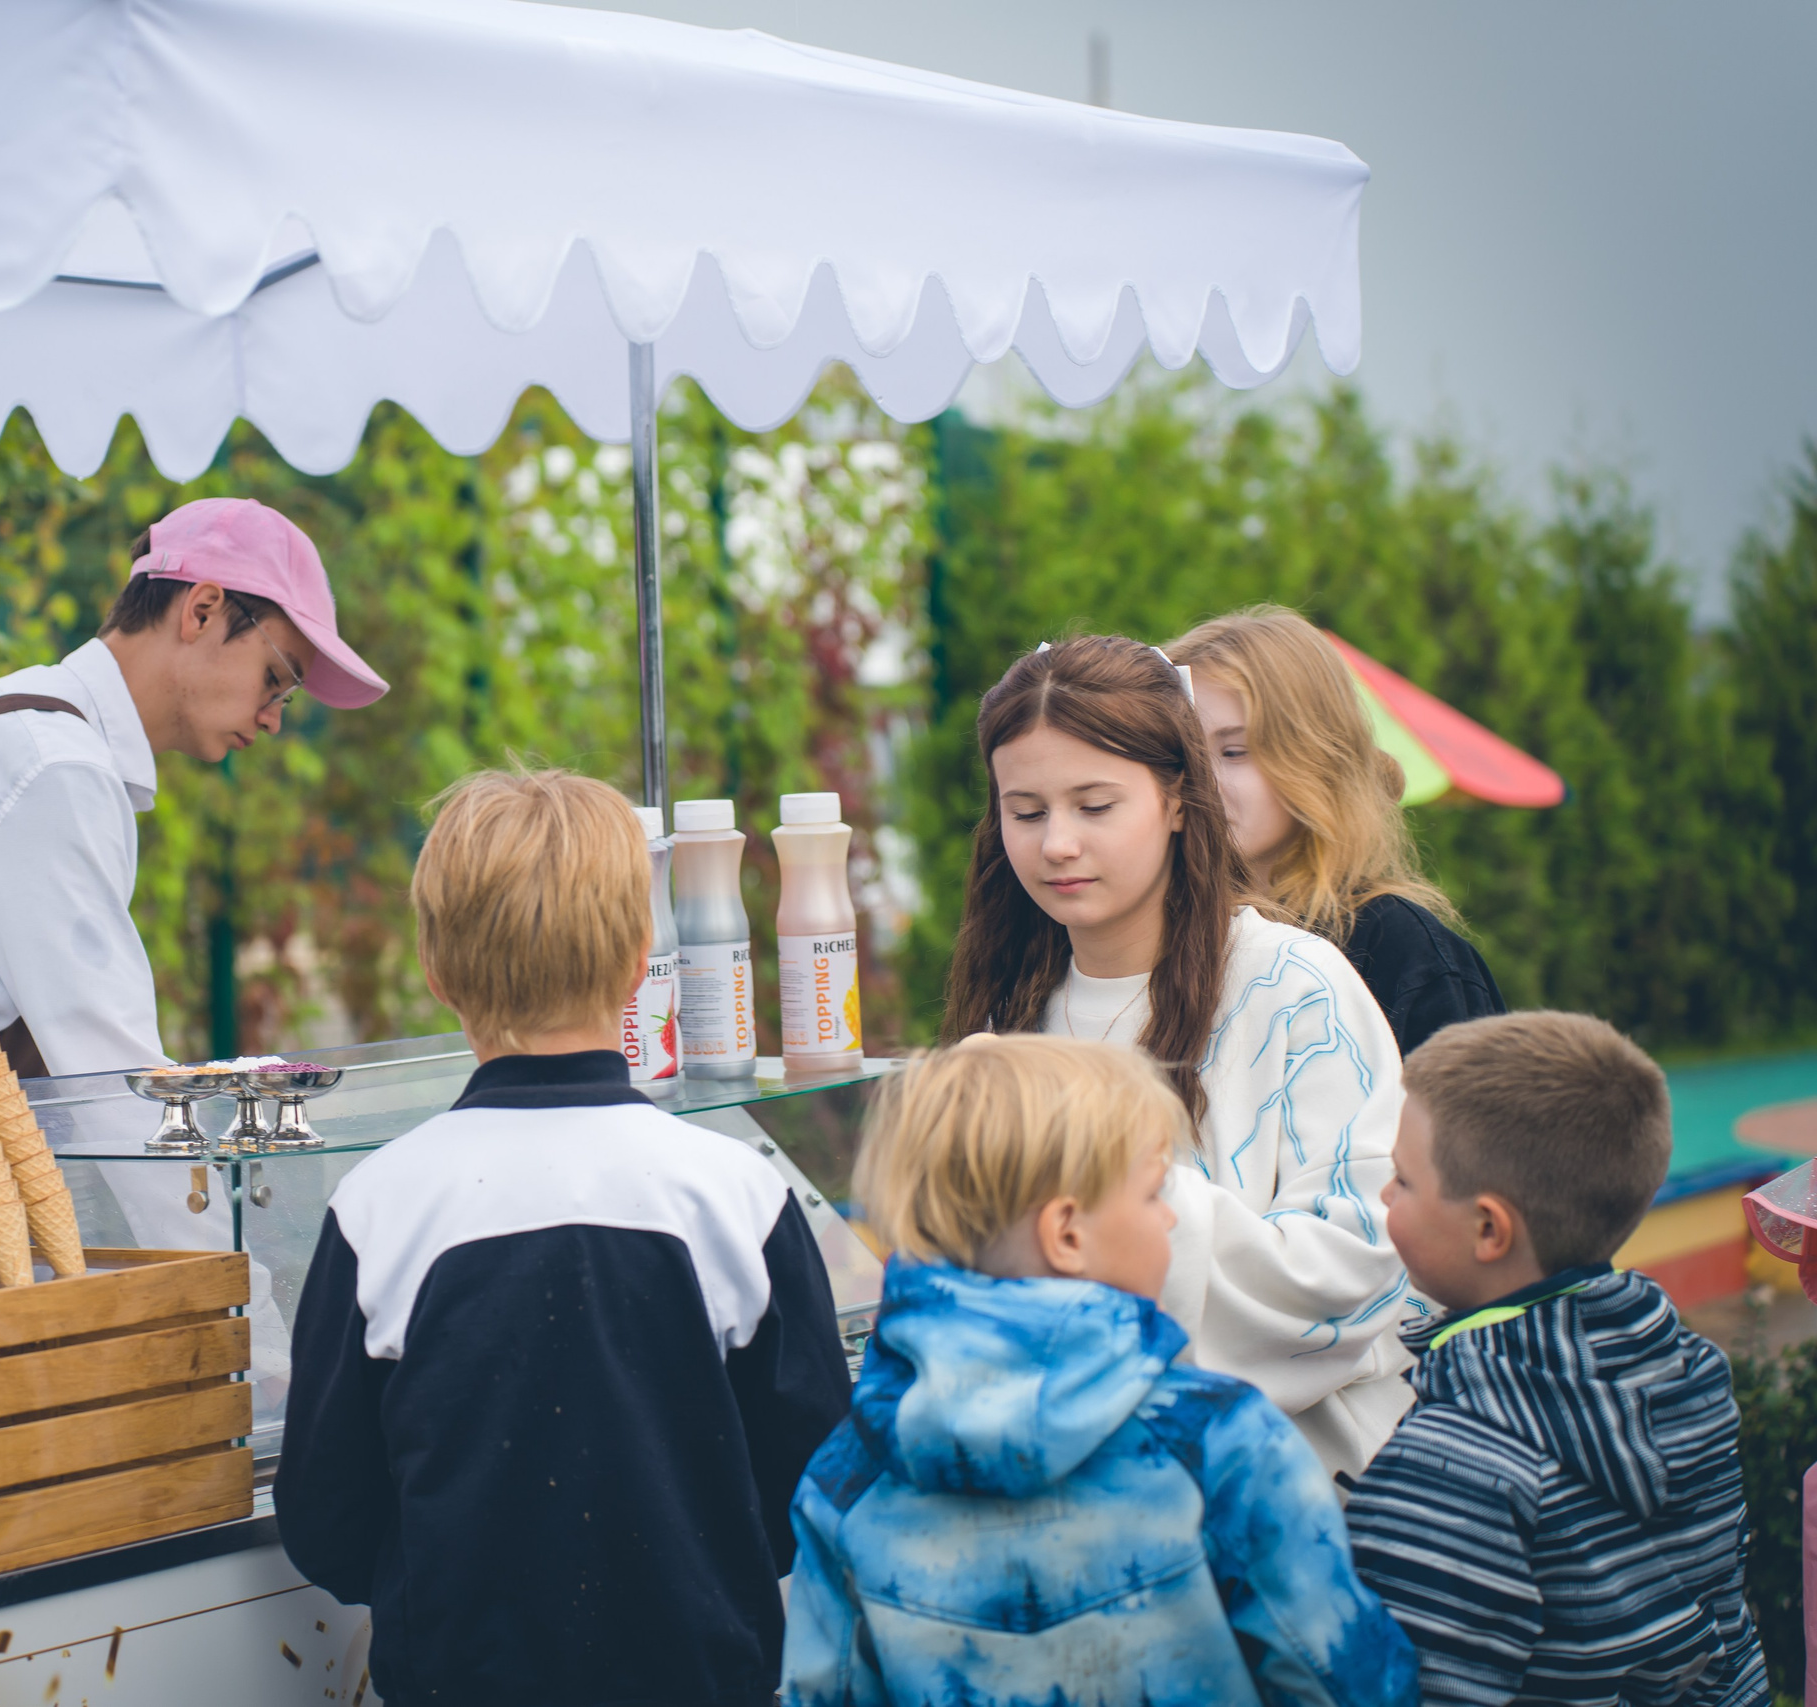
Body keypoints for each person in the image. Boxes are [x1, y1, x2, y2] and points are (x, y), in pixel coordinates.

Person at [275, 769, 849, 1707]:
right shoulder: (738, 1193)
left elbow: (325, 1521)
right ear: (637, 961)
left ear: (435, 969)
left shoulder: (377, 1208)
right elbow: (816, 1477)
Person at [782, 1033, 1416, 1707]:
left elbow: (825, 1691)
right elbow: (1341, 1677)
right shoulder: (1216, 1440)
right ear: (1068, 1235)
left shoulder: (849, 1472)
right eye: (1151, 1194)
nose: (1170, 1216)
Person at [939, 634, 1412, 1481]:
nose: (1057, 844)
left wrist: (1104, 1179)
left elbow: (1362, 1262)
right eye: (1027, 809)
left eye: (1095, 804)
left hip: (1293, 1507)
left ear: (1179, 801)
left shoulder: (1292, 986)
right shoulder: (1010, 1009)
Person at [0, 496, 385, 1077]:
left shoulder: (41, 733)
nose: (273, 718)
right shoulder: (54, 768)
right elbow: (108, 1072)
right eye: (275, 679)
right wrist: (211, 1172)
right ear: (203, 610)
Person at [1345, 1011, 1767, 1705]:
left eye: (1402, 1179)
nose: (1385, 1195)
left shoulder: (1448, 1467)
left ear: (1488, 1228)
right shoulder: (1692, 1373)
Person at [1167, 605, 1503, 1055]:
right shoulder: (1151, 932)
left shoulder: (1397, 949)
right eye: (1182, 753)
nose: (1202, 781)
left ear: (1316, 757)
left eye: (1234, 751)